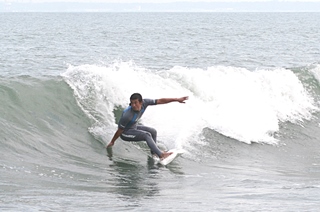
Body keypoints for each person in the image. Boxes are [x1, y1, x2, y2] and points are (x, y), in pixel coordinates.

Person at [106, 93, 188, 160]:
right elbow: (120, 130)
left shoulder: (145, 102)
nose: (133, 105)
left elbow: (160, 101)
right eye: (132, 103)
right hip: (125, 133)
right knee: (146, 135)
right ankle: (161, 155)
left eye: (135, 102)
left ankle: (154, 152)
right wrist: (112, 141)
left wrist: (177, 99)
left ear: (141, 102)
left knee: (153, 131)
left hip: (133, 127)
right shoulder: (127, 115)